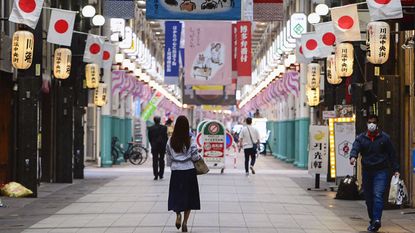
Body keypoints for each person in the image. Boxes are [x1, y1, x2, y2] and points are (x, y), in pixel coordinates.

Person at [349, 114, 400, 232]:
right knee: (368, 198)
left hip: (381, 171)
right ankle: (373, 219)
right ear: (367, 124)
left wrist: (396, 169)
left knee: (378, 195)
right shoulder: (361, 138)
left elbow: (392, 154)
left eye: (373, 122)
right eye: (369, 122)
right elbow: (355, 147)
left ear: (377, 124)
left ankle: (377, 220)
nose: (371, 124)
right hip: (367, 172)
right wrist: (353, 157)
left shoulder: (384, 138)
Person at [166, 115, 201, 232]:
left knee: (177, 195)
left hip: (176, 171)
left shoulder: (171, 140)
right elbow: (195, 156)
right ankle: (185, 222)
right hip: (189, 171)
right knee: (189, 197)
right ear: (187, 126)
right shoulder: (191, 139)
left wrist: (171, 166)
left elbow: (168, 156)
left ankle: (178, 215)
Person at [148, 116, 168, 180]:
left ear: (154, 121)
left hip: (154, 146)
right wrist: (164, 144)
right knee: (162, 160)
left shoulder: (151, 128)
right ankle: (161, 174)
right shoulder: (164, 128)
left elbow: (150, 138)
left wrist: (152, 144)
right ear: (159, 120)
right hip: (162, 146)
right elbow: (166, 137)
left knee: (155, 160)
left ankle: (156, 175)